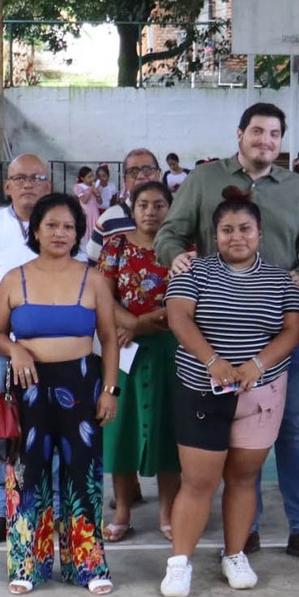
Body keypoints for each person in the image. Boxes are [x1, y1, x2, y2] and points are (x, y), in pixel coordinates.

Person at [157, 104, 299, 565]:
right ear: (240, 134)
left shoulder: (297, 188)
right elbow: (169, 234)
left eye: (274, 134)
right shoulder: (203, 180)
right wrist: (177, 257)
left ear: (281, 141)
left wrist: (297, 280)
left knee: (291, 432)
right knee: (230, 441)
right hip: (214, 339)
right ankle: (245, 534)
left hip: (278, 333)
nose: (265, 140)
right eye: (257, 131)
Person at [158, 191, 299, 597]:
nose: (236, 237)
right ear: (215, 234)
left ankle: (235, 553)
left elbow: (293, 329)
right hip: (201, 388)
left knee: (243, 478)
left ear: (260, 233)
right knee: (198, 480)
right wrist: (212, 361)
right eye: (227, 230)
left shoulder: (281, 280)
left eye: (245, 229)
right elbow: (178, 316)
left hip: (259, 392)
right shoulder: (194, 272)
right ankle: (179, 564)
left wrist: (255, 365)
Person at [0, 193, 119, 595]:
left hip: (81, 386)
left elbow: (109, 340)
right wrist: (16, 349)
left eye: (69, 227)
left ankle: (88, 564)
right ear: (36, 230)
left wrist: (109, 390)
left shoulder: (93, 279)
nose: (60, 233)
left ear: (78, 233)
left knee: (83, 476)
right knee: (29, 474)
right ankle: (27, 565)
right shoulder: (14, 278)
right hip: (28, 391)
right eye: (52, 225)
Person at [0, 153, 55, 543]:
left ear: (48, 185)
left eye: (36, 177)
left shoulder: (59, 222)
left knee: (49, 427)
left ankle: (46, 507)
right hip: (1, 346)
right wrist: (8, 323)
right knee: (0, 429)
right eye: (19, 178)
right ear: (7, 186)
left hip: (53, 347)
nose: (28, 184)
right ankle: (3, 511)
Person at [98, 180, 179, 543]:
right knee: (121, 429)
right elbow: (102, 296)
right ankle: (123, 511)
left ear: (170, 208)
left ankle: (168, 513)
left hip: (170, 348)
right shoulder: (115, 247)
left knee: (168, 429)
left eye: (159, 204)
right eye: (143, 204)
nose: (150, 211)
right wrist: (126, 323)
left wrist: (141, 324)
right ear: (132, 208)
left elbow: (188, 301)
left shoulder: (180, 250)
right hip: (124, 349)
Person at [83, 149, 163, 261]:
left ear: (159, 174)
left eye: (147, 169)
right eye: (133, 172)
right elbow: (93, 265)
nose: (140, 176)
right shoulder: (108, 219)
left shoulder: (176, 215)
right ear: (125, 180)